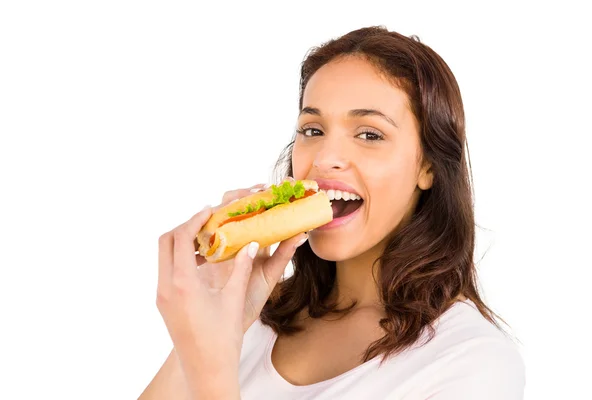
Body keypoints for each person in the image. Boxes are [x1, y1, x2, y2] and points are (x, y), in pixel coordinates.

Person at [139, 26, 525, 399]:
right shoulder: (256, 313)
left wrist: (212, 374)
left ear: (428, 167)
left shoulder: (474, 361)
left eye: (369, 134)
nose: (324, 158)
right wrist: (212, 326)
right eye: (312, 129)